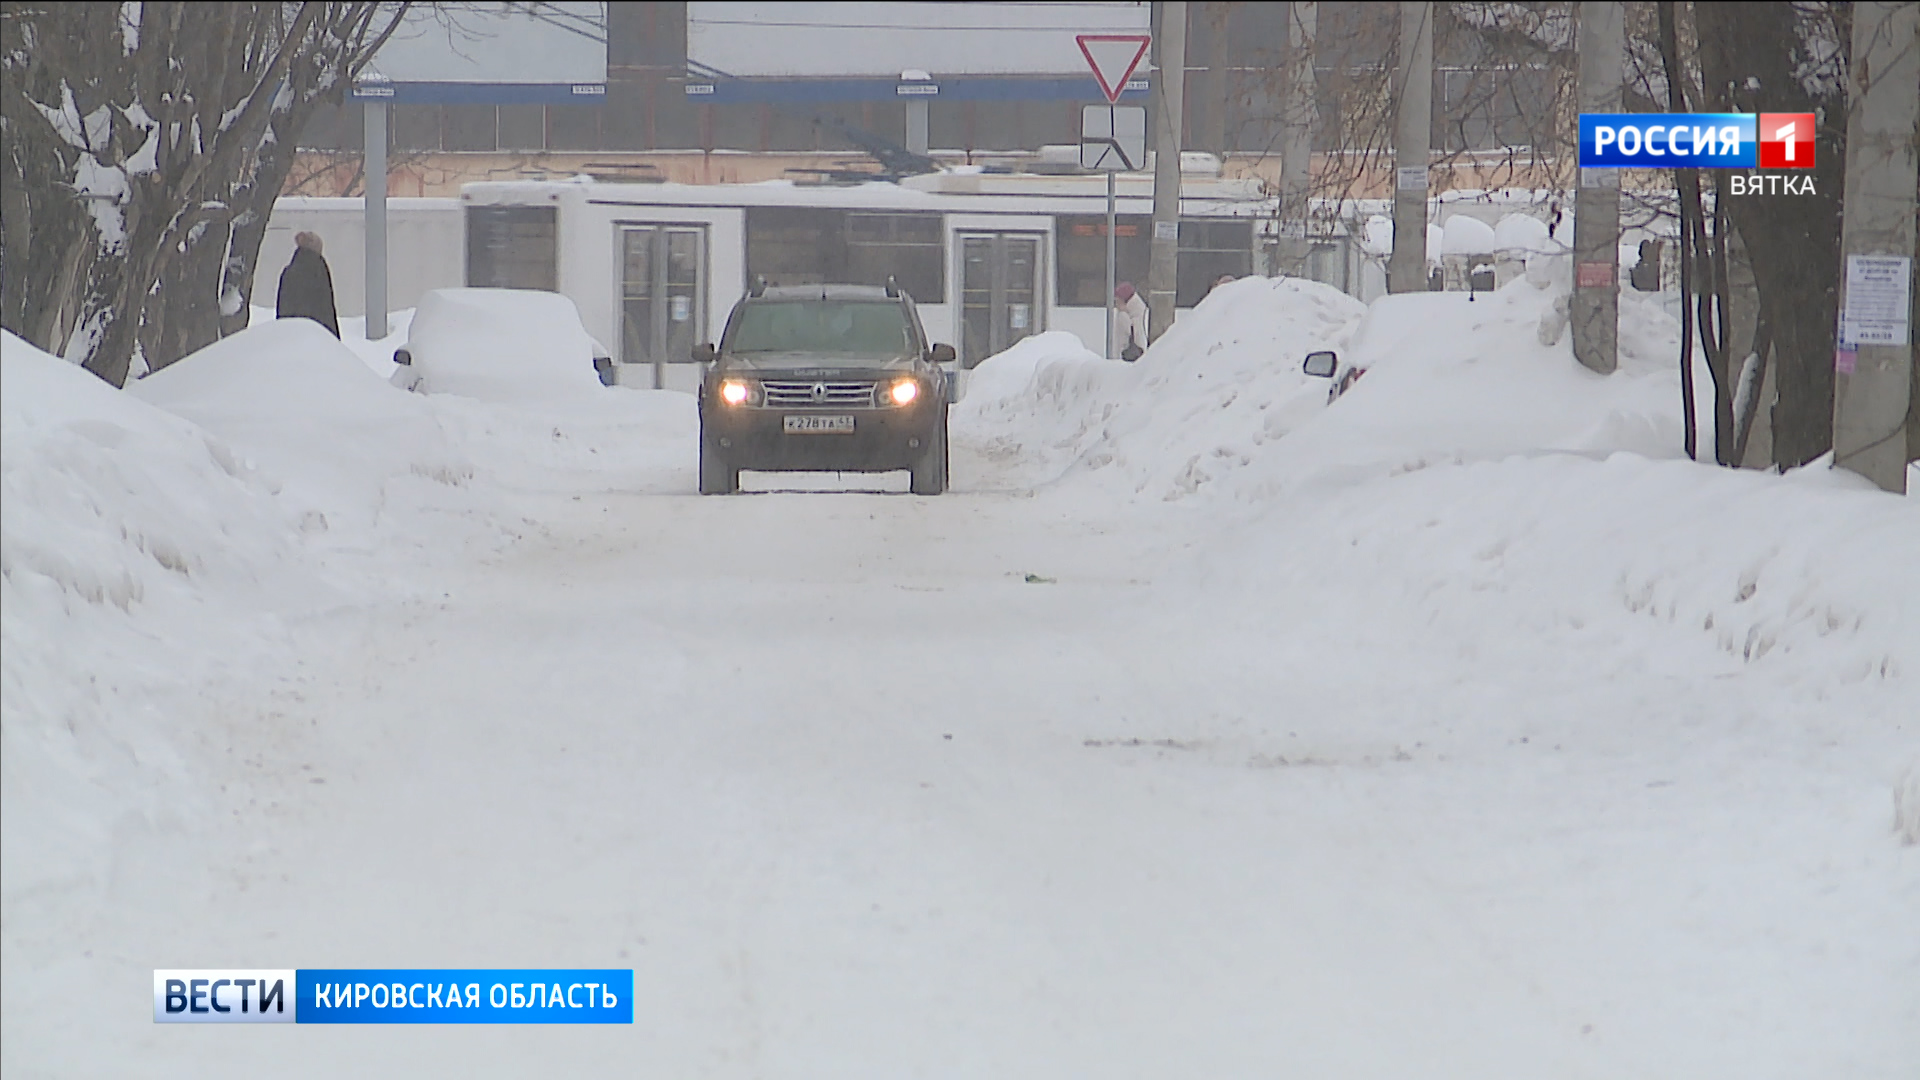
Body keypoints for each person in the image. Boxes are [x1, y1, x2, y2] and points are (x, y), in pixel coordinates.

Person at [277, 231, 340, 338]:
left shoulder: (289, 271)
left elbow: (282, 305)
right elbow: (326, 307)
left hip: (290, 333)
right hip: (317, 333)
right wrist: (334, 338)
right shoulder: (319, 269)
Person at [1113, 281, 1149, 361]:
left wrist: (1123, 313)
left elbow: (1132, 335)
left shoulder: (1125, 316)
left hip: (1128, 358)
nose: (1116, 303)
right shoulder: (1140, 310)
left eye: (1118, 300)